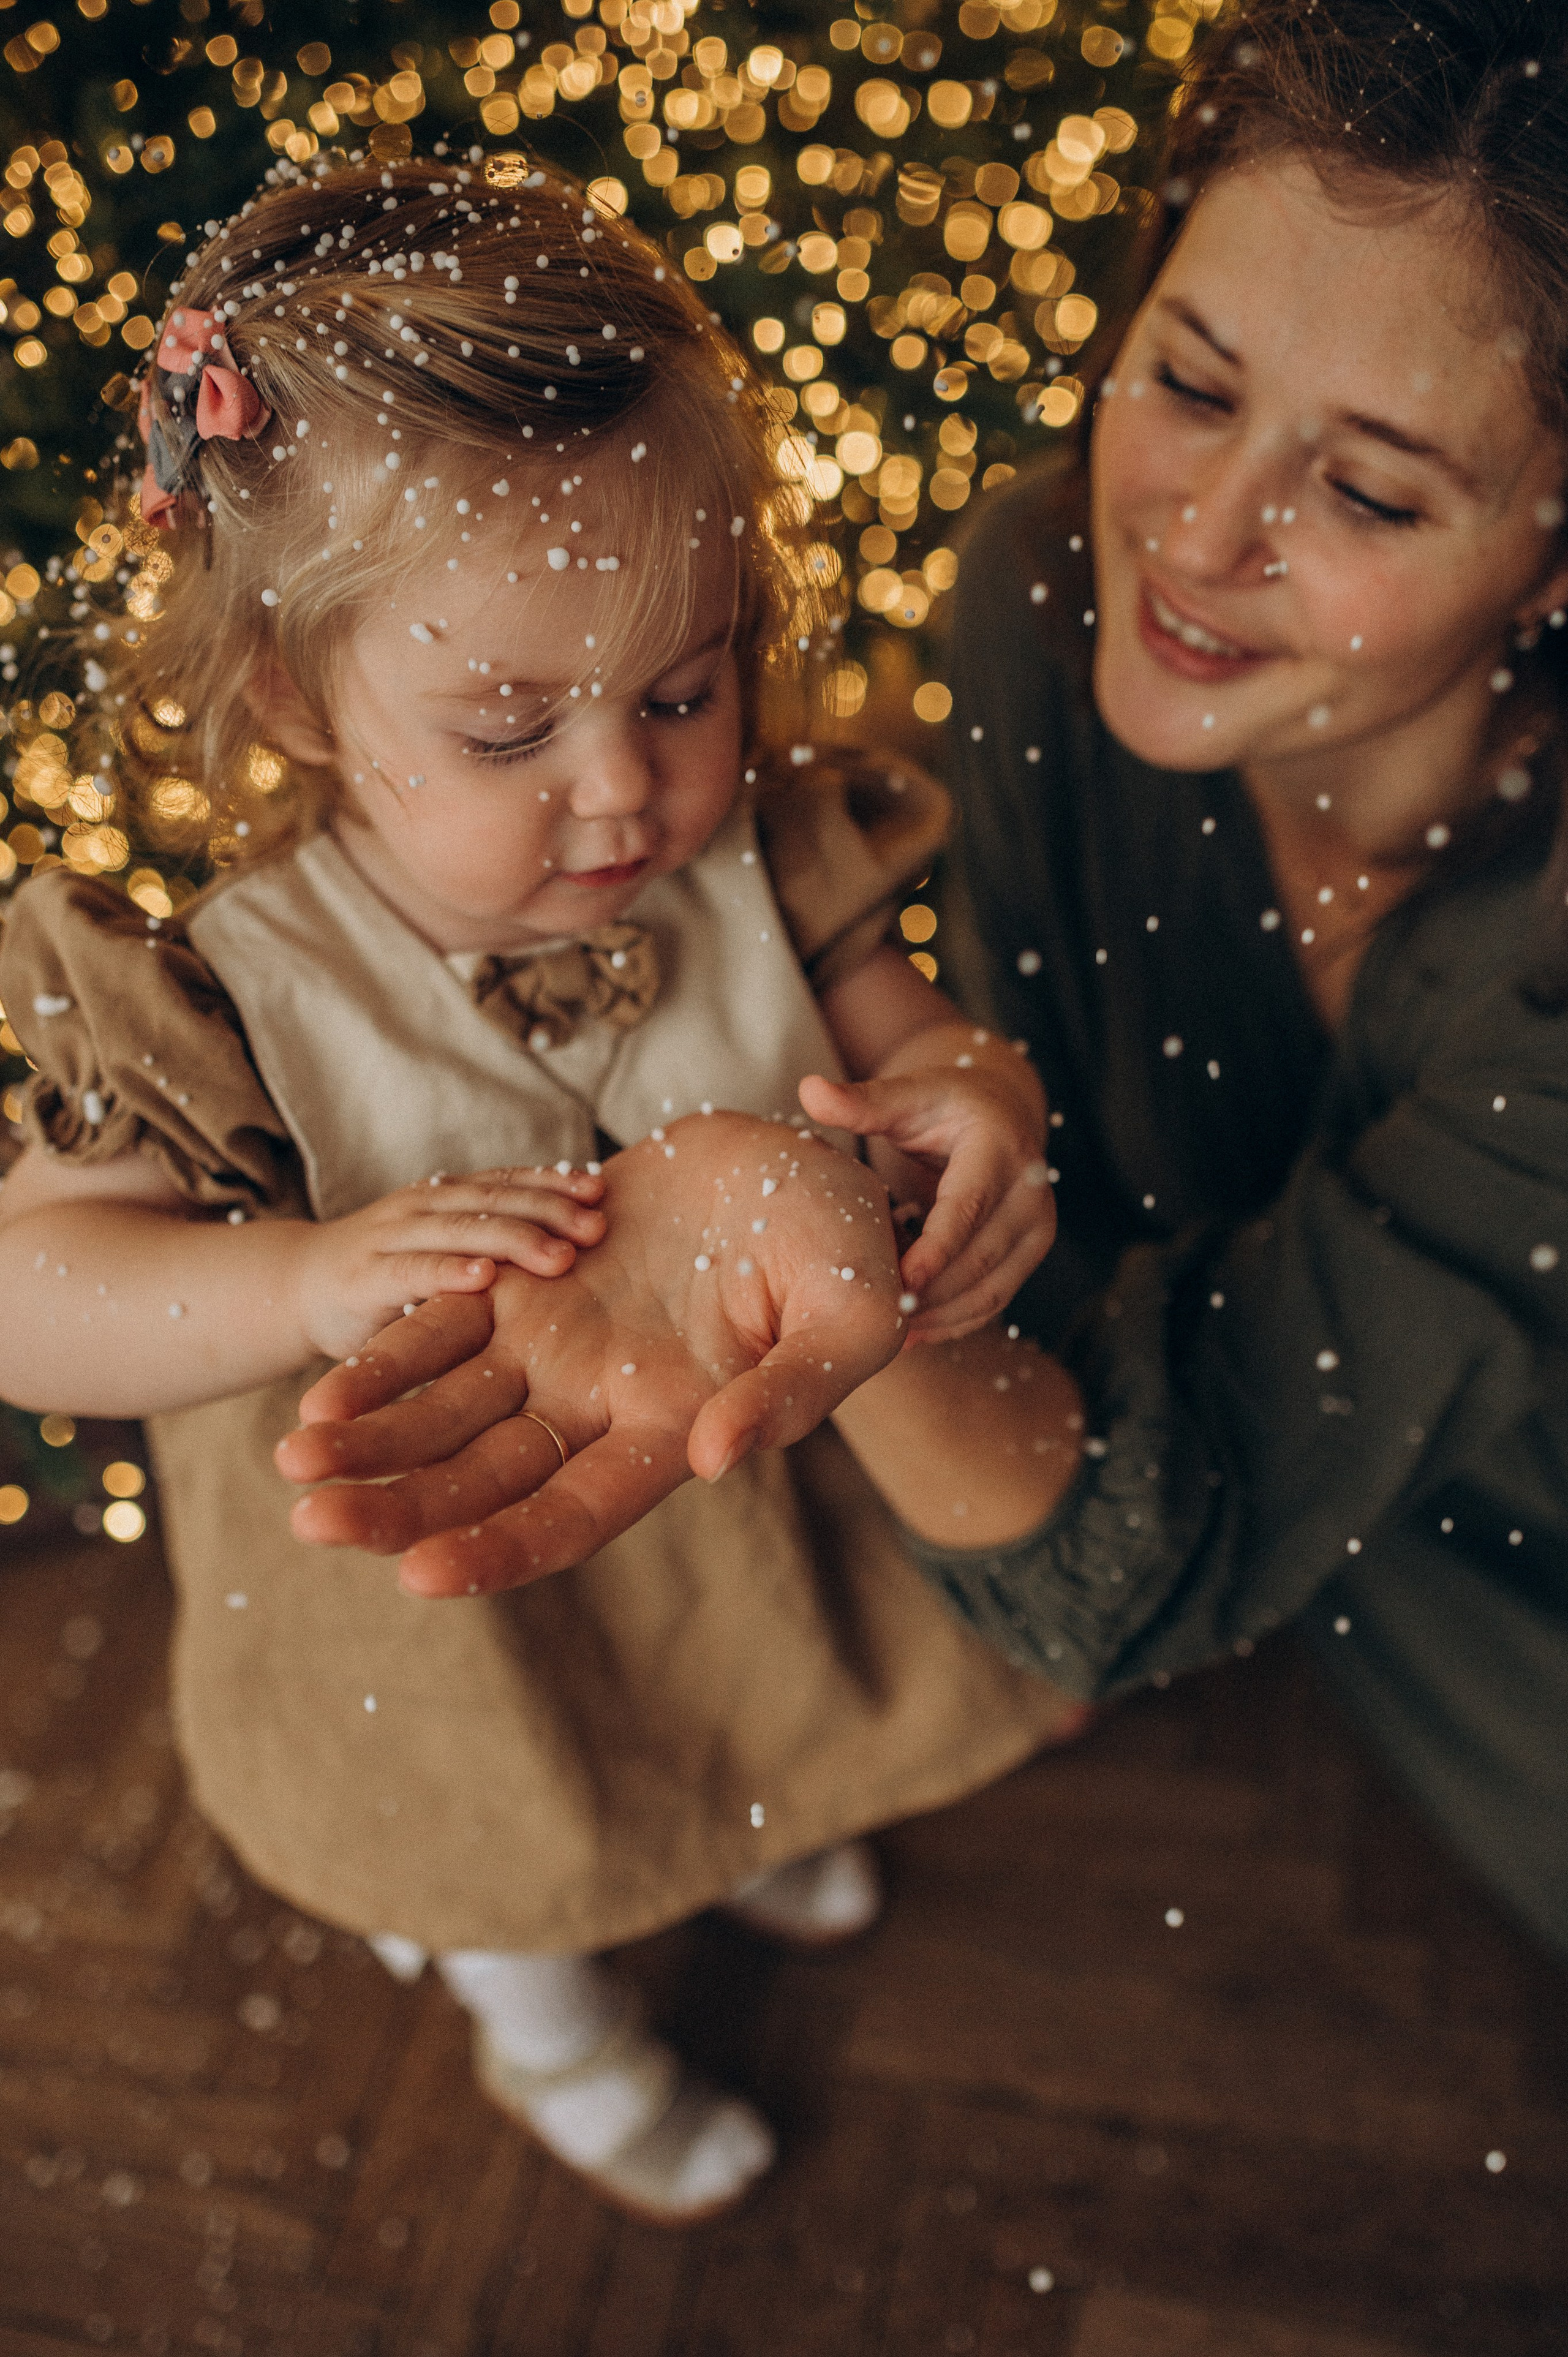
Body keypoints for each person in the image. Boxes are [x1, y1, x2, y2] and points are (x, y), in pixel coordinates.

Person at [286, 0, 1568, 1964]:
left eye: (1377, 493)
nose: (1203, 539)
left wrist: (896, 1297)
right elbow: (1045, 1187)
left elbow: (1153, 1545)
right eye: (1193, 384)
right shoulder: (1058, 594)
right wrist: (844, 1191)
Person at [0, 153, 1087, 2225]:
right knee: (502, 1844)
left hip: (738, 1496)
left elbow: (912, 1040)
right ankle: (553, 2043)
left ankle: (743, 1824)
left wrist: (975, 1104)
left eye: (681, 690)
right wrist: (303, 1278)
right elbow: (29, 1293)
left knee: (745, 1696)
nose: (623, 788)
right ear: (301, 700)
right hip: (433, 1588)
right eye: (510, 729)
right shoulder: (219, 993)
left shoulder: (764, 854)